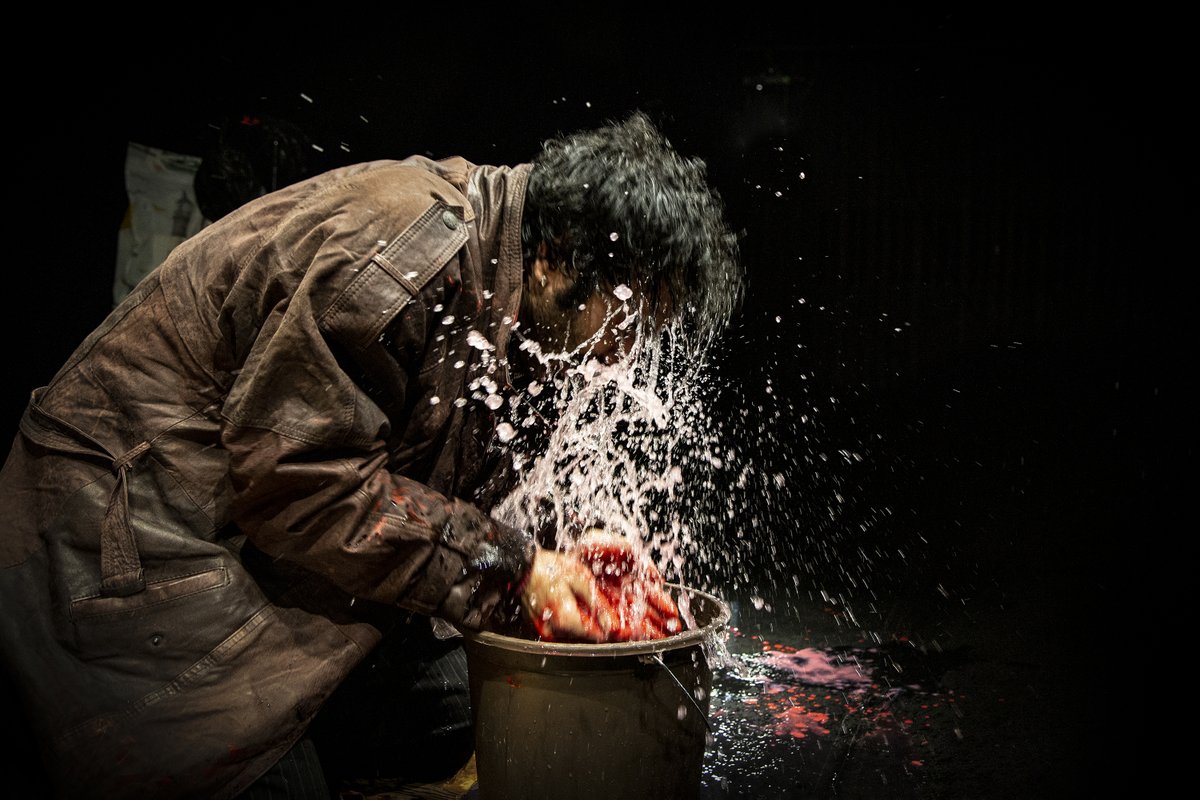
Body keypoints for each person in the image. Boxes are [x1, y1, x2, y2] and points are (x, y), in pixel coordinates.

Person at [0, 111, 743, 799]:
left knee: (463, 709)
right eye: (627, 315)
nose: (627, 351)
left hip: (260, 535)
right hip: (128, 533)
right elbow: (299, 486)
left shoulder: (514, 269)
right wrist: (519, 569)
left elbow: (418, 458)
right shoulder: (403, 253)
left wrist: (560, 554)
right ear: (555, 258)